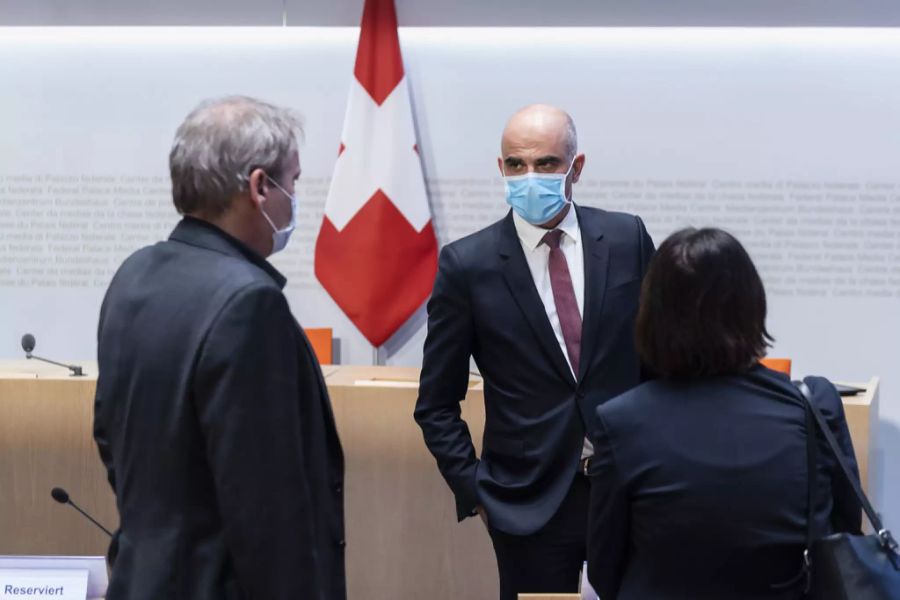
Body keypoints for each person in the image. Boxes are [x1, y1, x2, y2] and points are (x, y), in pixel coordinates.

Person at [93, 96, 345, 600]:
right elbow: (268, 513)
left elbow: (108, 437)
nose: (293, 196)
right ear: (258, 187)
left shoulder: (134, 275)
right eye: (292, 181)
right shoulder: (249, 304)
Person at [414, 104, 655, 599]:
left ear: (576, 167)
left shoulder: (628, 238)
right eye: (516, 165)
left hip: (630, 489)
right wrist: (479, 491)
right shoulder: (467, 265)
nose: (529, 176)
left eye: (546, 164)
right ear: (500, 168)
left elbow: (658, 364)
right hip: (528, 503)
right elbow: (436, 404)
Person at [586, 227, 862, 600]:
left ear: (651, 314)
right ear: (752, 305)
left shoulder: (620, 423)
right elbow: (842, 541)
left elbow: (605, 571)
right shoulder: (814, 404)